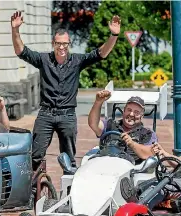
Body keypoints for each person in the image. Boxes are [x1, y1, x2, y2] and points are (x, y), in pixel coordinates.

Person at [11, 10, 121, 171]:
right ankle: (33, 191)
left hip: (67, 115)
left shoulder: (77, 61)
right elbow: (21, 51)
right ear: (53, 43)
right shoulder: (43, 60)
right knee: (35, 155)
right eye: (58, 43)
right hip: (46, 114)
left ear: (69, 44)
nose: (61, 47)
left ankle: (69, 192)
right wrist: (15, 30)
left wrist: (114, 35)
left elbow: (101, 53)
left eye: (65, 44)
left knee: (69, 158)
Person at [88, 90, 157, 164]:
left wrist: (132, 144)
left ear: (141, 116)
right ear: (123, 111)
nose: (131, 114)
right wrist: (98, 102)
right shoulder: (110, 125)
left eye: (136, 112)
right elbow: (93, 124)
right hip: (104, 162)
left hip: (130, 170)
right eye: (129, 110)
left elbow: (149, 153)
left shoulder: (147, 133)